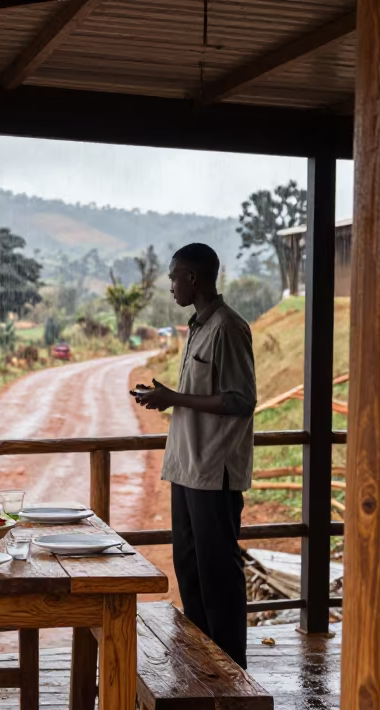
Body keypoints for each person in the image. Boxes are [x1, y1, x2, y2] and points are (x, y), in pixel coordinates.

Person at [133, 243, 256, 668]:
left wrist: (174, 397)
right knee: (190, 567)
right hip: (186, 467)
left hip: (213, 469)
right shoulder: (198, 326)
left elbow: (241, 400)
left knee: (219, 571)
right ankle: (202, 662)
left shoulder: (228, 328)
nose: (169, 286)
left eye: (174, 277)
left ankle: (230, 670)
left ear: (195, 278)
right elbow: (200, 395)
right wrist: (166, 397)